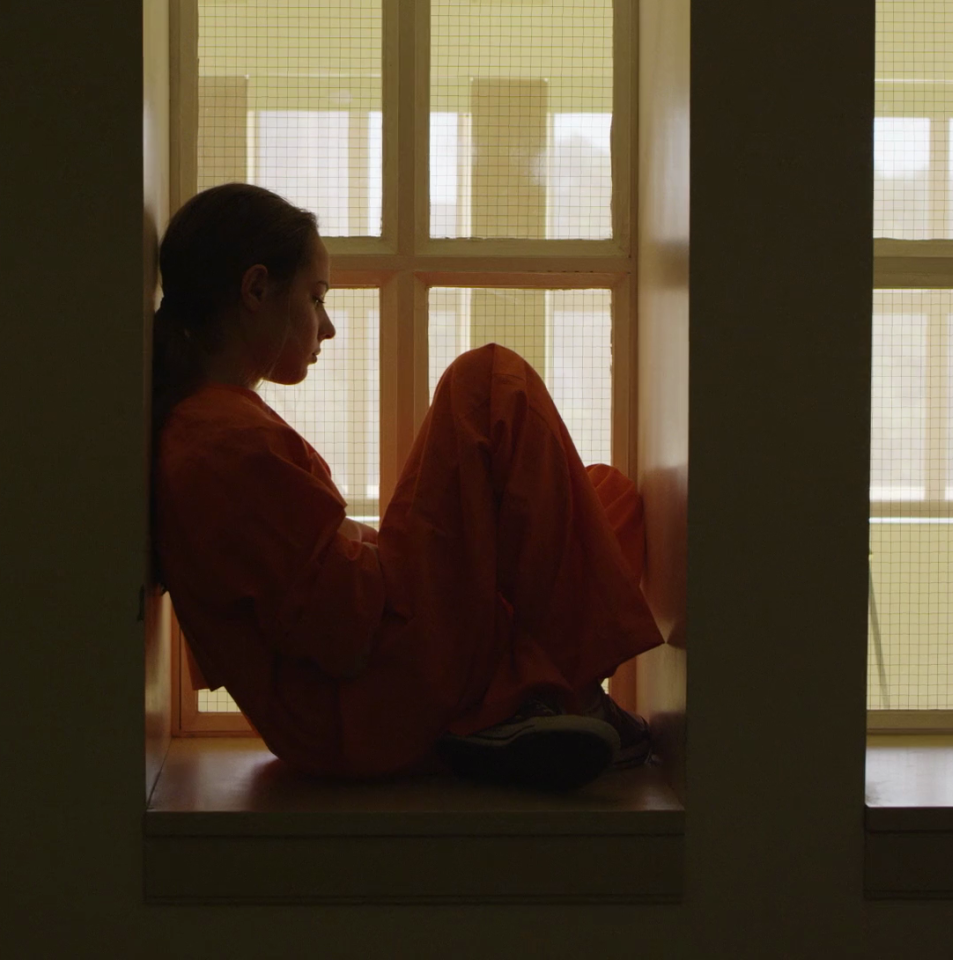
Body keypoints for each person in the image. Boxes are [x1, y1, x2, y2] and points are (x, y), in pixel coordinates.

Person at [152, 183, 664, 790]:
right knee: (489, 381)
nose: (329, 326)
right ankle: (560, 698)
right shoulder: (218, 438)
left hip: (374, 691)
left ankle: (515, 710)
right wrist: (414, 543)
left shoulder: (219, 424)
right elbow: (342, 629)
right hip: (362, 706)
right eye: (316, 299)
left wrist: (426, 541)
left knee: (606, 498)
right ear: (256, 289)